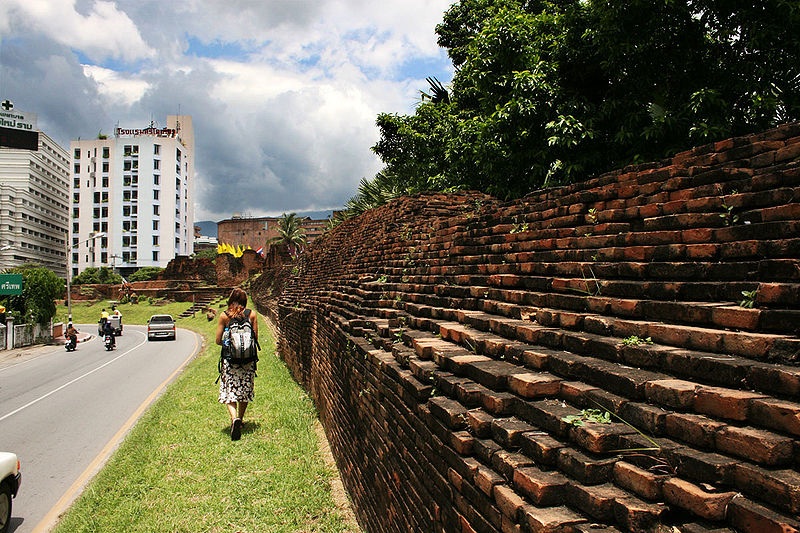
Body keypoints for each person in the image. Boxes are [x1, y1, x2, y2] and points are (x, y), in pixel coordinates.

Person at [215, 287, 258, 441]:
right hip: (247, 361)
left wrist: (231, 346)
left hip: (230, 361)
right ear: (245, 301)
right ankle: (241, 418)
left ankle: (234, 419)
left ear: (230, 300)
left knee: (230, 390)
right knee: (245, 389)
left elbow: (218, 340)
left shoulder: (224, 316)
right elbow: (255, 338)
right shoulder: (251, 314)